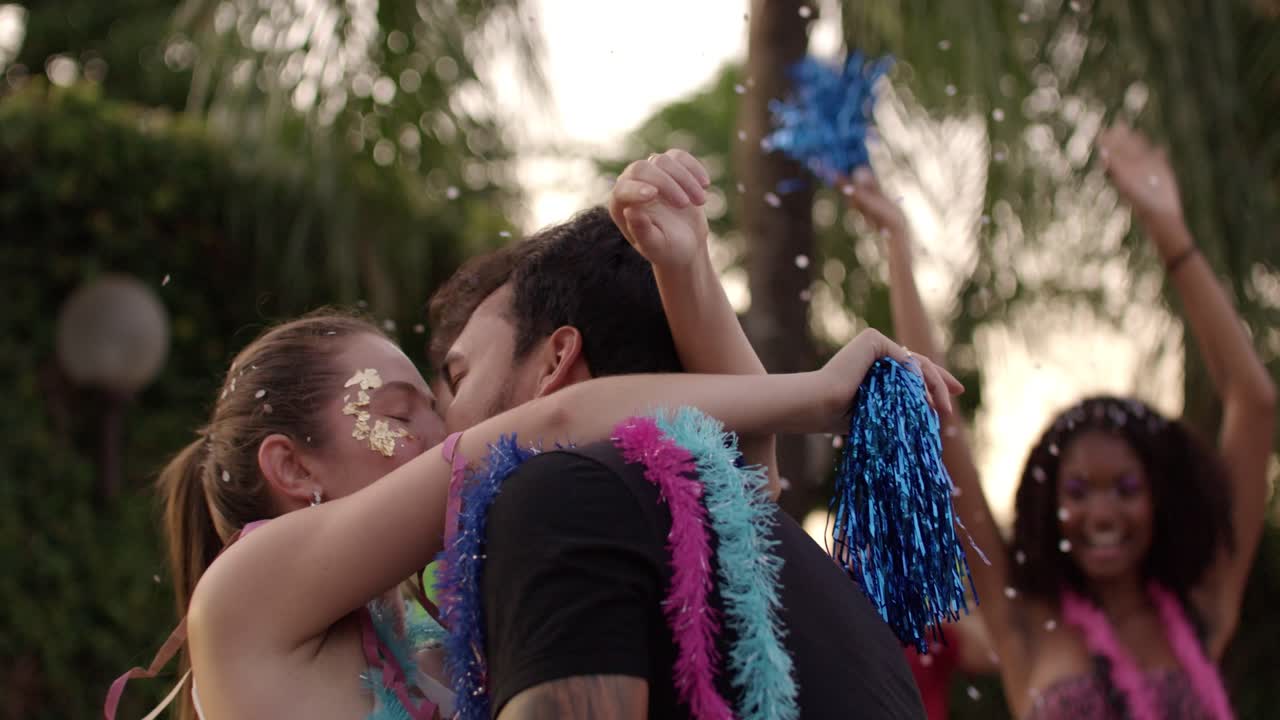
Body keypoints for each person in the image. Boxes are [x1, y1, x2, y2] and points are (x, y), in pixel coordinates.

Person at [113, 149, 959, 720]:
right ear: (292, 466)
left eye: (442, 395)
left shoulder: (439, 628)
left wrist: (685, 268)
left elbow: (739, 498)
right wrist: (818, 393)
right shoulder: (242, 594)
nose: (445, 429)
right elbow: (552, 423)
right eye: (400, 413)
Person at [424, 150, 947, 718]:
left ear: (555, 362)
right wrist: (685, 265)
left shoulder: (561, 495)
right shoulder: (777, 554)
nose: (439, 425)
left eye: (459, 377)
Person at [845, 124, 1275, 719]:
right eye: (1077, 491)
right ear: (1051, 508)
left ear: (1159, 499)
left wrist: (1168, 231)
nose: (1101, 513)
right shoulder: (1023, 620)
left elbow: (1255, 402)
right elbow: (941, 424)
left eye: (1126, 488)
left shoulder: (1202, 602)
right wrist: (899, 246)